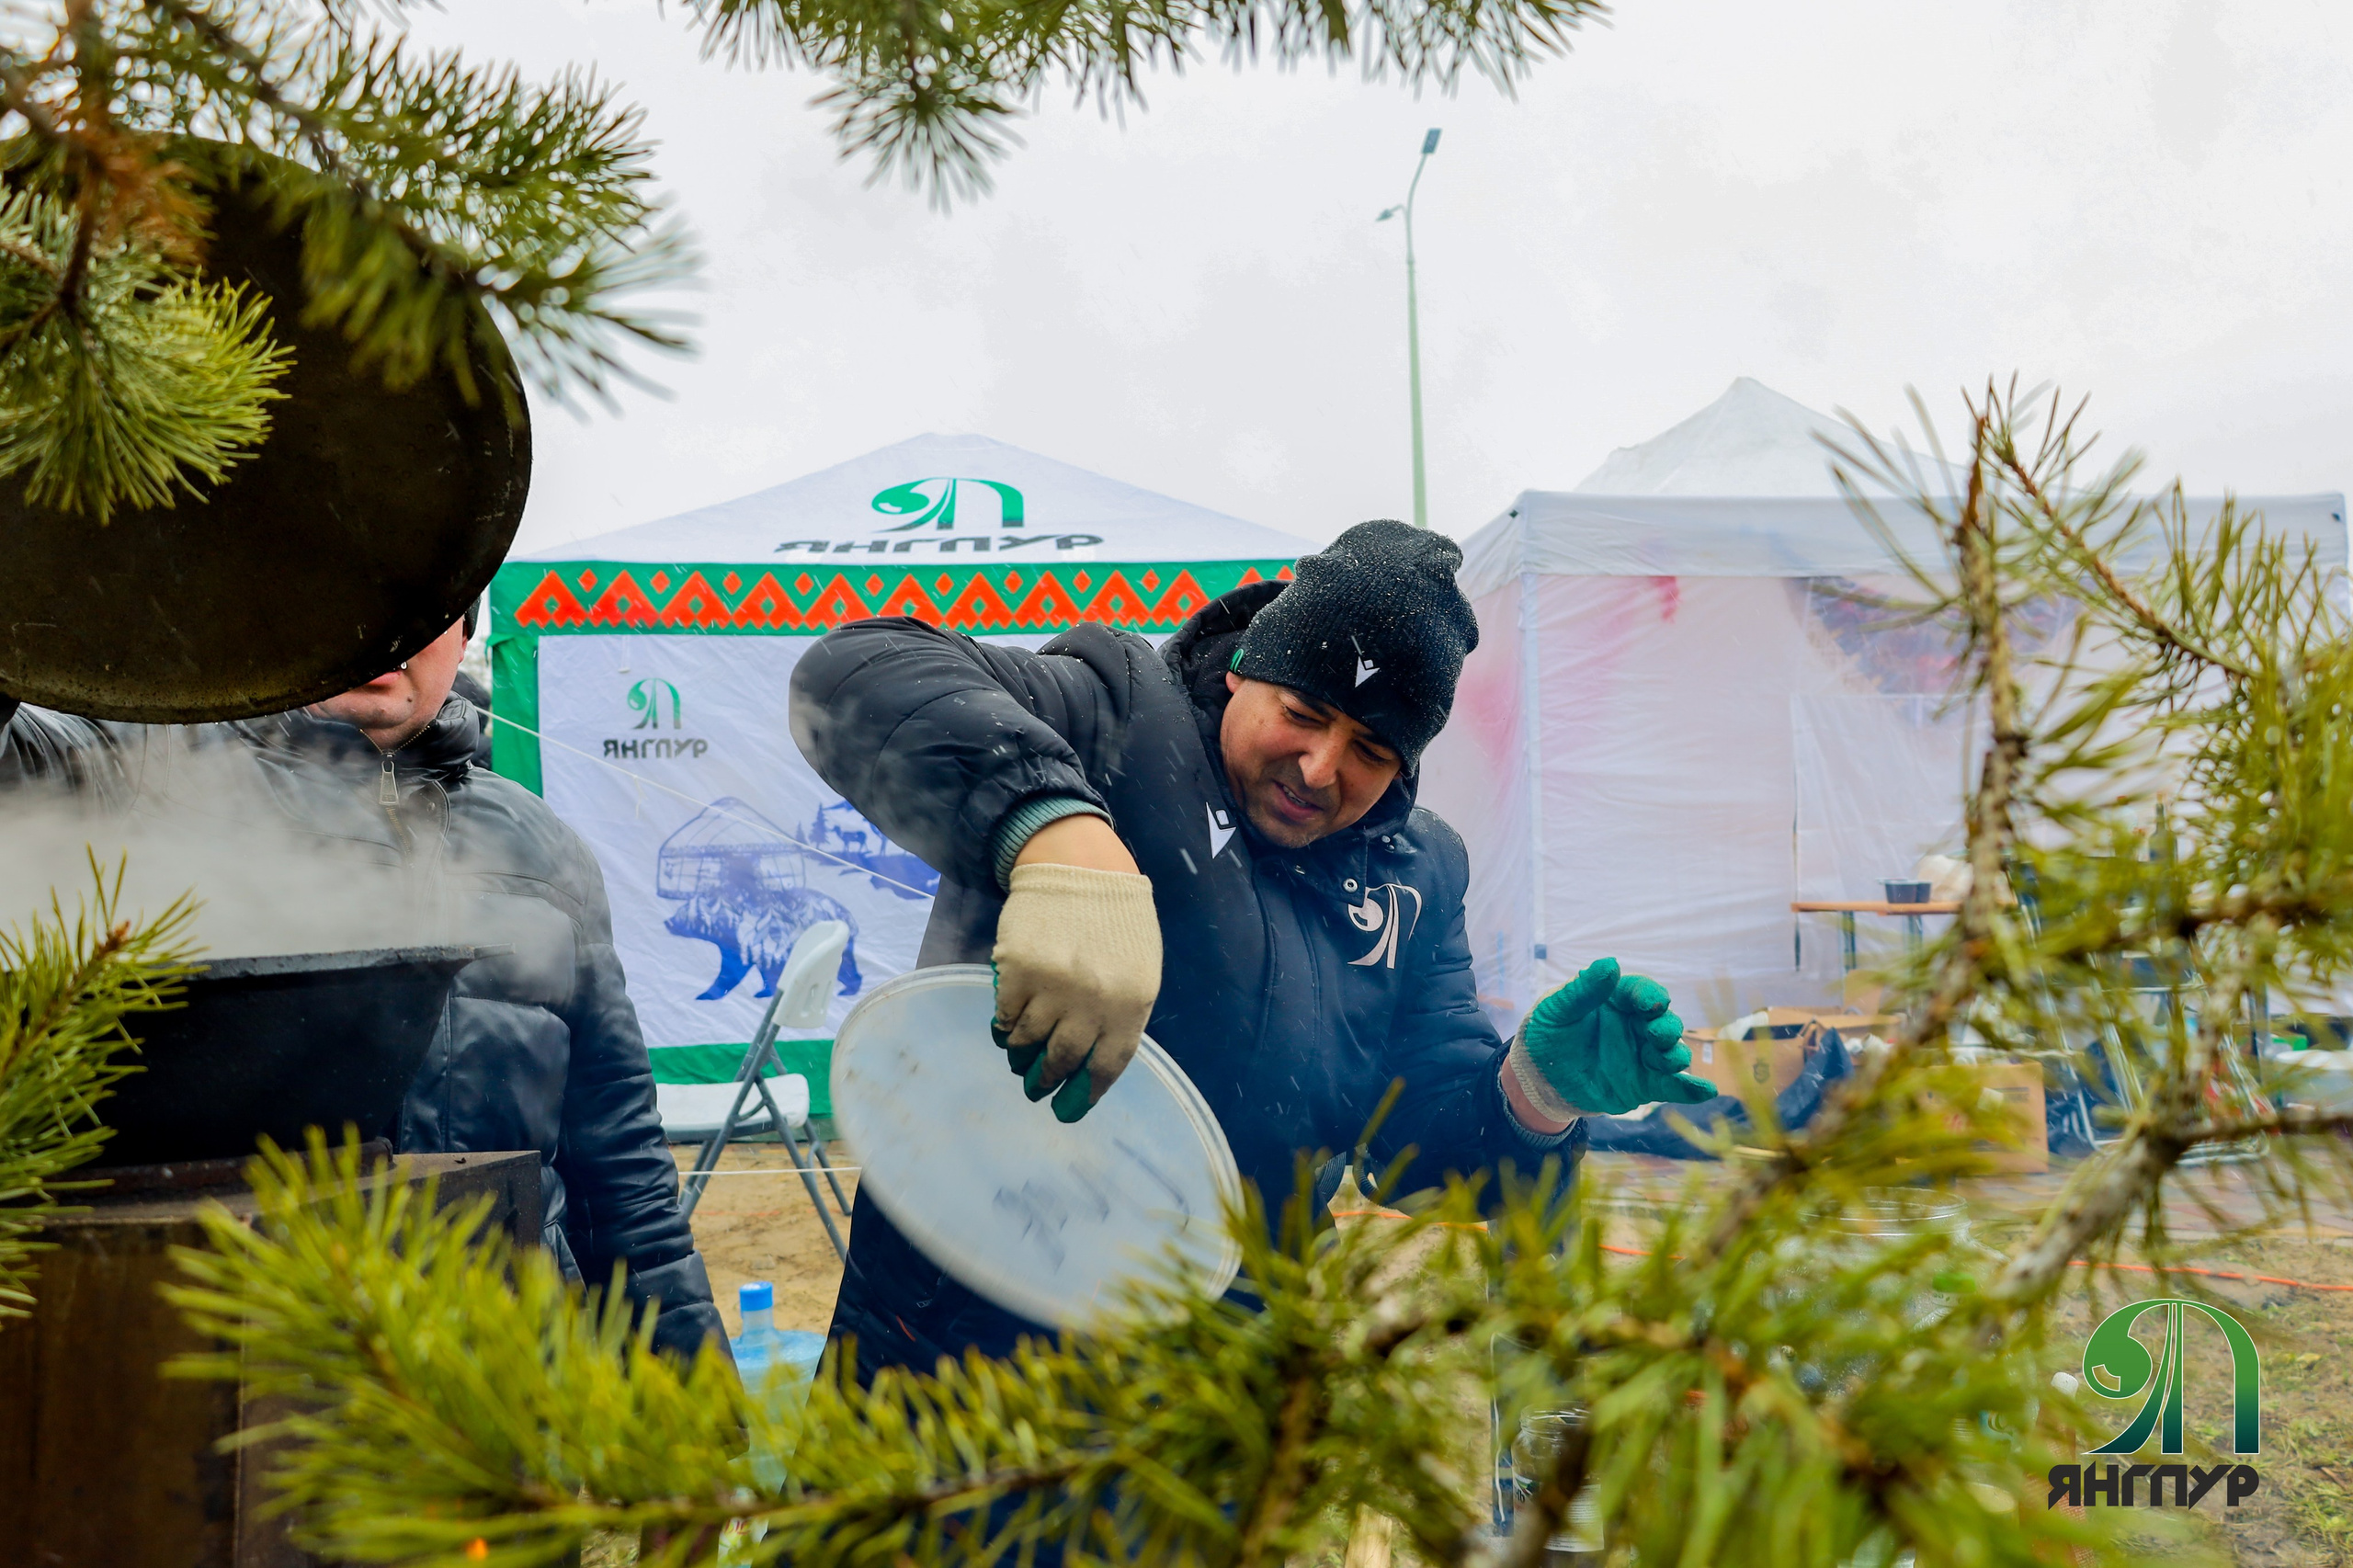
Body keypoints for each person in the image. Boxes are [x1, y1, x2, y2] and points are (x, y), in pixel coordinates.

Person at [790, 518, 1715, 1380]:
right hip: (959, 1336)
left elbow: (1418, 1143)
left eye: (1371, 749)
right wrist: (1055, 832)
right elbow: (858, 670)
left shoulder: (1417, 874)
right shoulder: (1117, 712)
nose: (1320, 767)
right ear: (1242, 670)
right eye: (1303, 712)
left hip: (1223, 1374)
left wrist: (1530, 1098)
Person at [0, 607, 727, 1362]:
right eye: (355, 592)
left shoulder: (544, 847)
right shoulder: (142, 774)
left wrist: (694, 1396)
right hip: (227, 1362)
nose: (383, 629)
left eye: (425, 604)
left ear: (466, 633)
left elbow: (621, 1170)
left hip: (503, 1367)